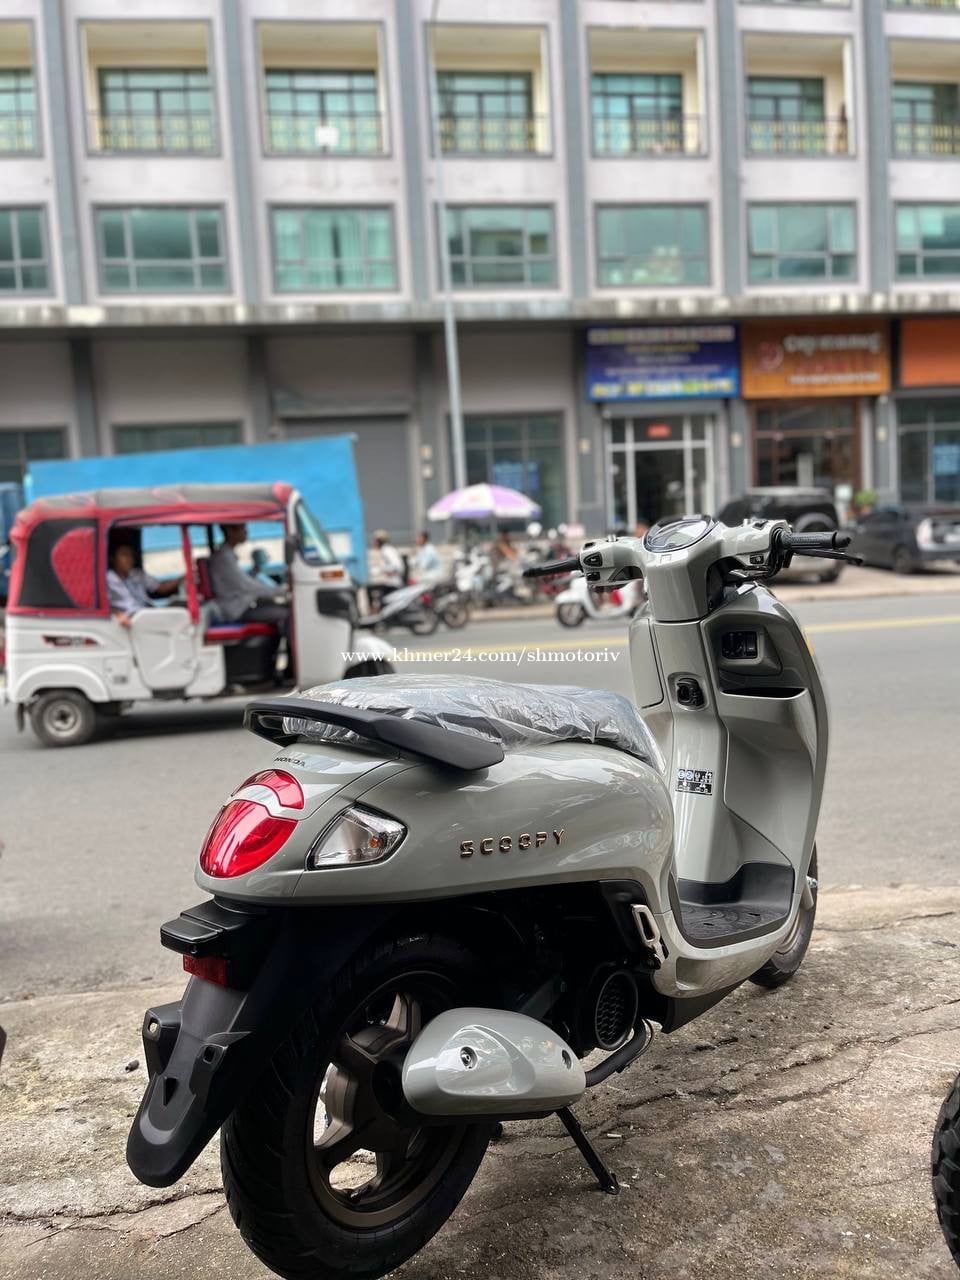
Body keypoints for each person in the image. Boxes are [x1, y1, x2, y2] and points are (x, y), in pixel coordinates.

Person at [209, 524, 289, 634]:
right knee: (286, 614)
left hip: (241, 605)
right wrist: (281, 591)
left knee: (279, 607)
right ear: (230, 530)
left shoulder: (228, 555)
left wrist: (256, 569)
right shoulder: (223, 557)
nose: (246, 531)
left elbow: (239, 580)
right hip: (236, 610)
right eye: (242, 528)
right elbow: (246, 586)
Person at [107, 539, 183, 627]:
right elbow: (104, 605)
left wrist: (182, 578)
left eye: (131, 555)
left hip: (147, 613)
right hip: (130, 620)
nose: (130, 559)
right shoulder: (107, 579)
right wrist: (117, 614)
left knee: (180, 606)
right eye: (125, 555)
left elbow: (162, 587)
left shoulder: (137, 574)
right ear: (112, 558)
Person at [368, 530, 406, 612]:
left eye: (375, 540)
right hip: (389, 582)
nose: (373, 543)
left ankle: (373, 610)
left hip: (392, 583)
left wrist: (385, 571)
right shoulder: (385, 550)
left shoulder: (387, 550)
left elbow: (397, 566)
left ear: (380, 541)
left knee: (370, 589)